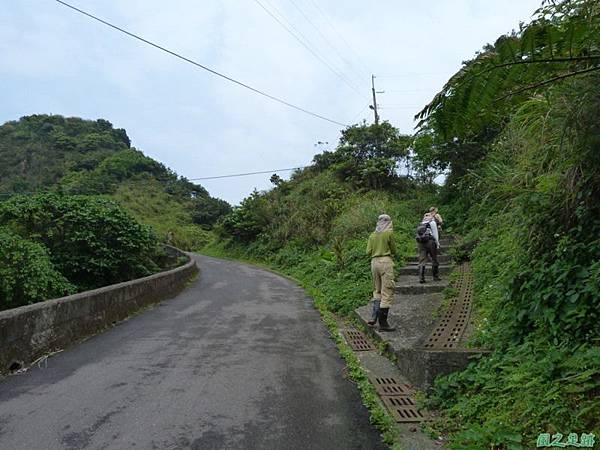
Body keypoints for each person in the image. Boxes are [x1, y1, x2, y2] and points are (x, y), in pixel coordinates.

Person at [366, 214, 396, 332]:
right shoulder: (388, 233)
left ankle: (374, 317)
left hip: (374, 263)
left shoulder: (372, 235)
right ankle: (383, 324)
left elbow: (368, 251)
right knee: (387, 291)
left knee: (377, 290)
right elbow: (393, 250)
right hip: (385, 262)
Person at [417, 212, 441, 283]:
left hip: (421, 243)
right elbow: (435, 234)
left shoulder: (421, 223)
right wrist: (437, 243)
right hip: (430, 242)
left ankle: (421, 278)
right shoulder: (432, 222)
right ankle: (435, 276)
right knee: (434, 258)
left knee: (422, 260)